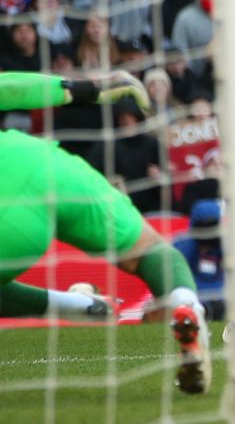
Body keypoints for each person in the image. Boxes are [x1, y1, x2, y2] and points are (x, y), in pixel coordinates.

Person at [0, 71, 211, 394]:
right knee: (150, 250)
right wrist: (84, 88)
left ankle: (81, 308)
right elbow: (9, 87)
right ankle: (186, 304)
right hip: (40, 162)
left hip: (12, 225)